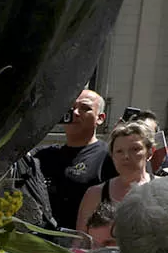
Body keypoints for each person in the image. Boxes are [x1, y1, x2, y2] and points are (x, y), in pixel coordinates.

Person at [34, 89, 117, 229]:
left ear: (100, 118)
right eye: (70, 108)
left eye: (85, 108)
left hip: (84, 244)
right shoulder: (43, 156)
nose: (75, 113)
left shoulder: (110, 157)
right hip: (43, 244)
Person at [76, 122, 154, 234]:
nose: (126, 156)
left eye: (135, 149)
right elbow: (80, 240)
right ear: (112, 156)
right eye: (119, 151)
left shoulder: (163, 189)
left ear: (150, 152)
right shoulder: (95, 194)